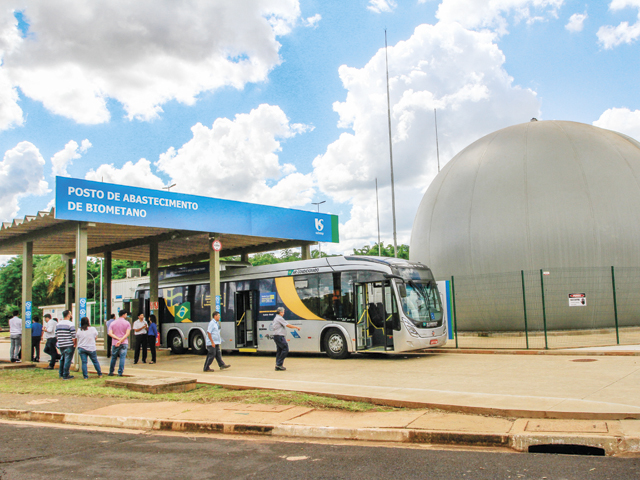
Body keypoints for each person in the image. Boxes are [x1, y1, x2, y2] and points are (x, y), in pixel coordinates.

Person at [270, 307, 300, 371]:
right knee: (285, 349)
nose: (283, 313)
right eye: (283, 312)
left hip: (277, 336)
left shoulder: (276, 318)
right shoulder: (279, 318)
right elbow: (287, 325)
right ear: (280, 312)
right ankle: (279, 364)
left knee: (280, 350)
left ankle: (278, 365)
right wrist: (296, 327)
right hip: (279, 336)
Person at [108, 310, 131, 376]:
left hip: (115, 342)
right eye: (126, 314)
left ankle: (111, 372)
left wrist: (118, 339)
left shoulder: (113, 323)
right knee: (122, 357)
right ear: (124, 314)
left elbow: (110, 333)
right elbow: (127, 333)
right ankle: (120, 372)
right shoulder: (127, 323)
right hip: (124, 342)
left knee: (113, 357)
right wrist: (121, 340)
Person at [56, 310, 77, 380]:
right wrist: (75, 343)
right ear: (68, 315)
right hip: (69, 344)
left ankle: (61, 373)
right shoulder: (70, 324)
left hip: (61, 344)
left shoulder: (58, 324)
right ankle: (66, 375)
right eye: (70, 314)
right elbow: (73, 335)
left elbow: (56, 334)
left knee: (62, 359)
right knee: (68, 359)